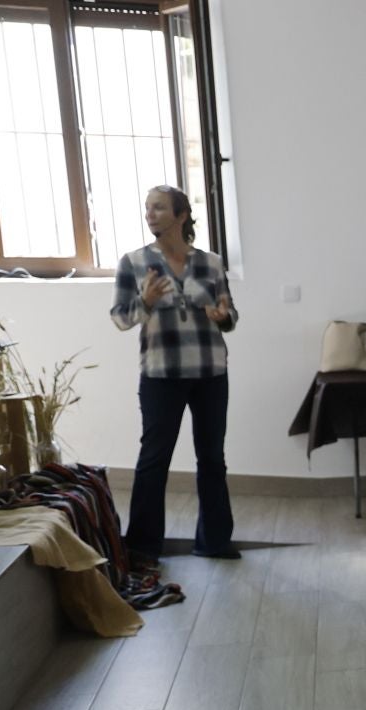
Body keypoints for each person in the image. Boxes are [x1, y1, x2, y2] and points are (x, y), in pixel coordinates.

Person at [110, 185, 239, 565]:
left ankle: (215, 541)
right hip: (160, 375)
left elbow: (229, 315)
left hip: (210, 372)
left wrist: (223, 316)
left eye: (159, 208)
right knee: (154, 459)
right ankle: (143, 546)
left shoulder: (211, 263)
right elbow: (120, 318)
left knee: (212, 459)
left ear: (181, 215)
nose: (150, 214)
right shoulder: (133, 262)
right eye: (147, 208)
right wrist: (145, 301)